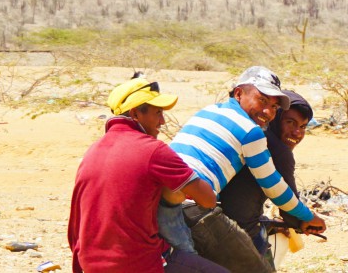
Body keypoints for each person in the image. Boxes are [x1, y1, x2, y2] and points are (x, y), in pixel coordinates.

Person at [161, 66, 327, 256]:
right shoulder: (252, 133)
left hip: (161, 193)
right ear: (239, 93)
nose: (267, 111)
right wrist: (308, 216)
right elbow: (275, 188)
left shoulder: (208, 110)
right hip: (189, 204)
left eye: (274, 106)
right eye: (262, 100)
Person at [68, 78, 225, 273]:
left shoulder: (93, 151)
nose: (162, 121)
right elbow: (208, 199)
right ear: (135, 114)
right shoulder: (153, 150)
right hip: (137, 264)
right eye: (157, 112)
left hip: (90, 264)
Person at [218, 89, 313, 265]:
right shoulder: (278, 150)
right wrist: (307, 221)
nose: (297, 133)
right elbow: (290, 210)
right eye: (290, 122)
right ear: (276, 118)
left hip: (215, 218)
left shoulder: (250, 134)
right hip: (240, 230)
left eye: (302, 126)